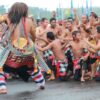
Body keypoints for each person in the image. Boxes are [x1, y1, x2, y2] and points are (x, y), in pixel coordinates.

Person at [0, 2, 45, 94]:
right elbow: (33, 36)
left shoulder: (8, 17)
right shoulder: (29, 21)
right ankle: (41, 83)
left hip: (13, 52)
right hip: (26, 51)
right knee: (31, 67)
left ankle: (2, 87)